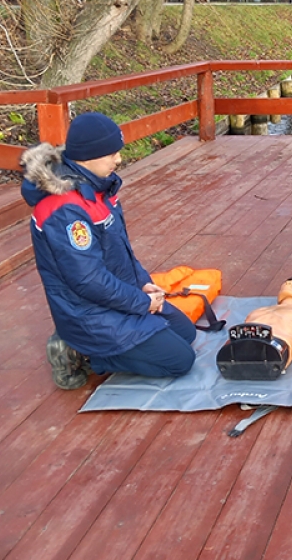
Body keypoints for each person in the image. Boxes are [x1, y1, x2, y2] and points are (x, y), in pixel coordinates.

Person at [21, 113, 196, 390]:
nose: (119, 160)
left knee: (186, 333)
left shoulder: (98, 188)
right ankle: (85, 353)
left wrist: (144, 284)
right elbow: (87, 281)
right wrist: (141, 303)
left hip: (118, 298)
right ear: (88, 157)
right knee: (181, 361)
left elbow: (120, 250)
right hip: (89, 312)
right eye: (112, 154)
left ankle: (109, 345)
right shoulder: (66, 209)